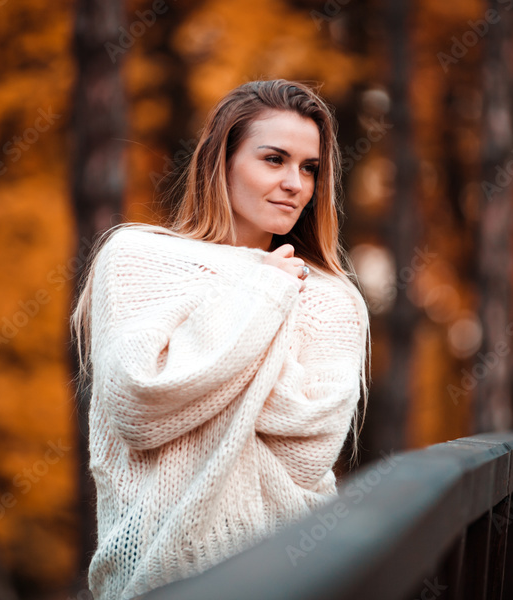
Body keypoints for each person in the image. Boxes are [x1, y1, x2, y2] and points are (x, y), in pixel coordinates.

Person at [70, 79, 371, 600]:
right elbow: (140, 402)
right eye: (274, 159)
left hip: (293, 574)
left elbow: (307, 447)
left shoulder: (332, 297)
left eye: (309, 168)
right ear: (221, 161)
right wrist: (262, 291)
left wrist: (201, 371)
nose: (295, 183)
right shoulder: (137, 258)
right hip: (149, 579)